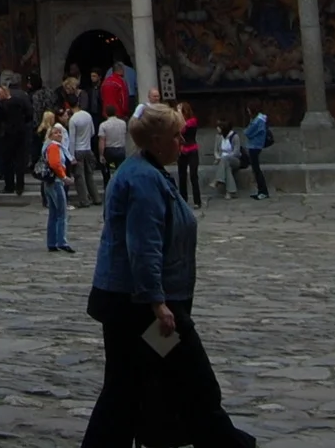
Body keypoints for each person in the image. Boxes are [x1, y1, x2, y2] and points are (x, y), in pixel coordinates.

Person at [83, 103, 256, 448]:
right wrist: (158, 304)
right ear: (159, 141)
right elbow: (143, 247)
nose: (182, 140)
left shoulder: (148, 171)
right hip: (142, 307)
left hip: (133, 301)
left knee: (132, 384)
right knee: (192, 378)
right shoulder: (144, 180)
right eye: (177, 135)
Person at [40, 120, 73, 252]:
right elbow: (55, 164)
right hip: (56, 182)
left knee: (53, 213)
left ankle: (52, 242)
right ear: (51, 135)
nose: (59, 134)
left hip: (50, 183)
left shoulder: (49, 146)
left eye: (60, 132)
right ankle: (61, 241)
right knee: (61, 213)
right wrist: (64, 177)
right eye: (56, 132)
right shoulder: (54, 147)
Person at [174, 103, 200, 204]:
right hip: (182, 150)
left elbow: (183, 127)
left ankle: (197, 201)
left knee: (193, 175)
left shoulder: (193, 121)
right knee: (182, 176)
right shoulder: (178, 122)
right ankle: (183, 200)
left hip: (192, 149)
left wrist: (179, 112)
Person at [241, 110, 270, 200]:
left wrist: (250, 123)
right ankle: (260, 191)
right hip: (256, 146)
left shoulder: (257, 121)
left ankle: (263, 191)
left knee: (257, 170)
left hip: (255, 146)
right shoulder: (260, 120)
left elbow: (247, 132)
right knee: (255, 170)